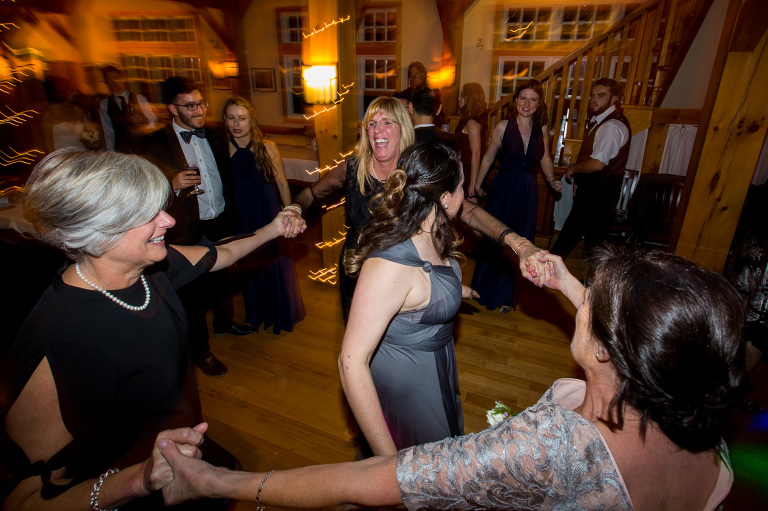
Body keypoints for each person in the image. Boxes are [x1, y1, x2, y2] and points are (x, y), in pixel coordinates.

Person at [154, 245, 748, 510]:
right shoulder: (694, 416)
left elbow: (373, 480)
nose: (582, 300)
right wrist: (566, 281)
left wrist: (215, 483)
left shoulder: (548, 450)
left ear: (609, 352)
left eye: (592, 301)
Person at [0, 149, 304, 510]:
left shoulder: (148, 270)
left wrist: (273, 228)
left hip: (179, 446)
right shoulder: (61, 339)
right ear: (99, 232)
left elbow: (219, 254)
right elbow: (25, 498)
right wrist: (140, 480)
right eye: (148, 215)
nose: (169, 221)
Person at [289, 96, 553, 319]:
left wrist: (519, 243)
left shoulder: (416, 171)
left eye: (386, 122)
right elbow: (311, 192)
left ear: (403, 127)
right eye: (372, 123)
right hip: (356, 274)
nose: (377, 130)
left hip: (405, 276)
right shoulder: (352, 168)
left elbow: (467, 210)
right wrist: (294, 209)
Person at [340, 142, 475, 456]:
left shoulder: (431, 228)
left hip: (436, 365)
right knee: (419, 468)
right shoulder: (390, 265)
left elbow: (423, 285)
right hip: (410, 384)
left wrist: (454, 290)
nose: (465, 194)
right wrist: (390, 466)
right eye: (461, 187)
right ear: (443, 198)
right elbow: (350, 363)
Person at [139, 76, 253, 376]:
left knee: (223, 278)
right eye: (191, 105)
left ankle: (225, 323)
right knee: (191, 293)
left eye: (201, 103)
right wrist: (171, 183)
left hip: (221, 220)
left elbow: (228, 176)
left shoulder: (214, 134)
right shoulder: (153, 144)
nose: (200, 110)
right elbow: (141, 188)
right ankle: (200, 352)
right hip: (186, 228)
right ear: (172, 109)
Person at [471, 79, 562, 313]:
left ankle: (506, 296)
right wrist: (477, 185)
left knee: (521, 241)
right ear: (515, 101)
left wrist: (552, 181)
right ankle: (484, 289)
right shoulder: (502, 126)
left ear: (539, 104)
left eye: (533, 100)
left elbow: (545, 158)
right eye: (523, 98)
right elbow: (488, 158)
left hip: (527, 191)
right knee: (495, 237)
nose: (527, 104)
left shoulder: (541, 129)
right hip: (503, 188)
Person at [222, 96, 305, 333]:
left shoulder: (267, 146)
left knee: (273, 261)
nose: (236, 124)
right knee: (249, 261)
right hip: (242, 213)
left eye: (242, 118)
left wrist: (290, 215)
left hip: (266, 209)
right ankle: (256, 311)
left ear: (251, 120)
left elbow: (281, 182)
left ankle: (279, 312)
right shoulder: (223, 148)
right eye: (231, 118)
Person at [551, 77, 632, 260]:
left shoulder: (612, 125)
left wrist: (573, 168)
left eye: (601, 96)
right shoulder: (601, 121)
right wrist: (580, 182)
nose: (594, 99)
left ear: (614, 99)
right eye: (593, 95)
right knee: (584, 238)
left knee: (589, 242)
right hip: (593, 192)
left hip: (600, 194)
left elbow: (598, 163)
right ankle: (551, 269)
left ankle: (548, 270)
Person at [99, 65, 157, 153]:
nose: (113, 81)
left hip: (142, 147)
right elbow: (108, 131)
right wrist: (112, 153)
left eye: (115, 77)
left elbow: (153, 120)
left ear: (122, 78)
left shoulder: (139, 98)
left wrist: (144, 122)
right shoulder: (104, 104)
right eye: (109, 79)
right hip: (121, 149)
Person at [40, 76, 99, 153]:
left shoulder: (77, 110)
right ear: (61, 92)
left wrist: (92, 136)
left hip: (80, 152)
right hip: (62, 155)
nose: (74, 93)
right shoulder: (49, 114)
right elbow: (47, 143)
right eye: (70, 90)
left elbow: (86, 131)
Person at [456, 82, 488, 197]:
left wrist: (473, 183)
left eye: (462, 95)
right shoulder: (468, 120)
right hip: (464, 170)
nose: (459, 98)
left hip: (470, 172)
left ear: (470, 99)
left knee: (471, 211)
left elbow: (476, 154)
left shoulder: (472, 123)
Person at [400, 61, 444, 127]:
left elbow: (440, 118)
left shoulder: (432, 94)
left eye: (417, 74)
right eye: (411, 75)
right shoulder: (404, 95)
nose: (413, 78)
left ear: (423, 76)